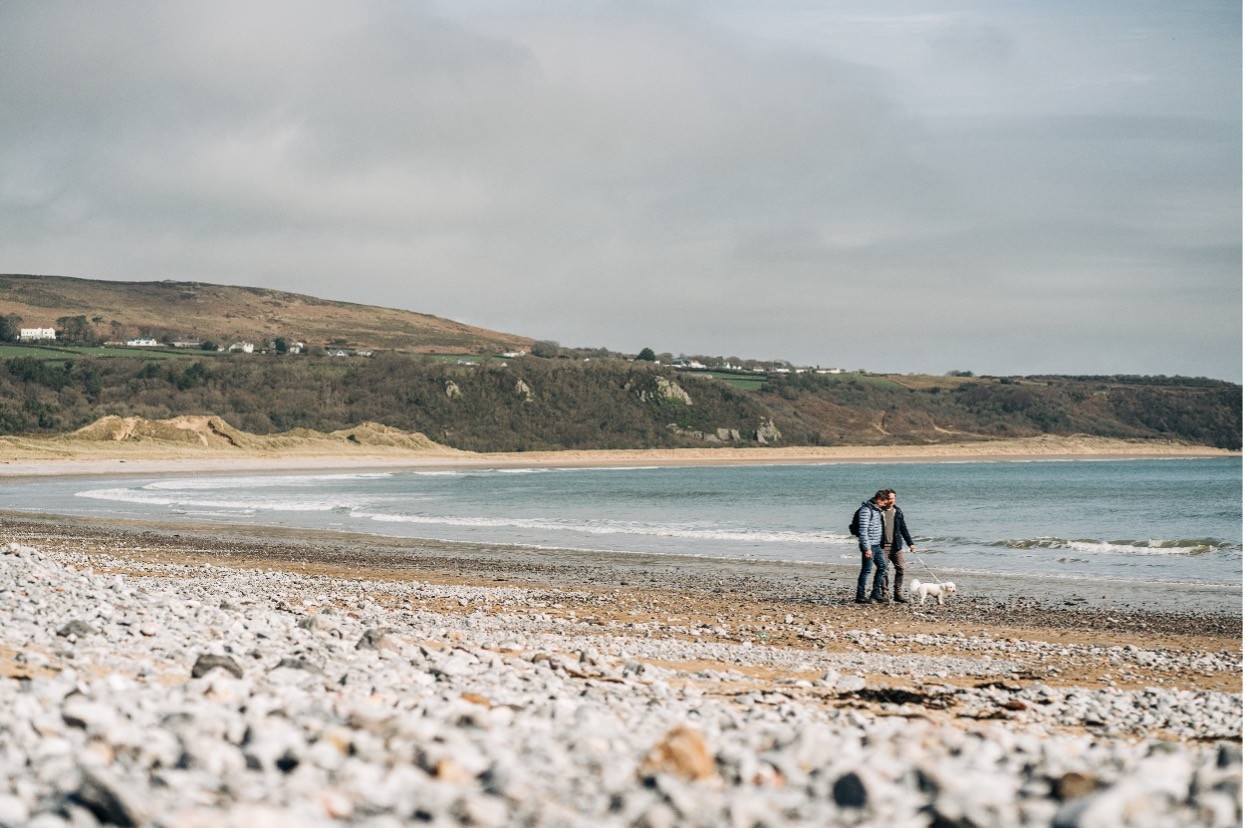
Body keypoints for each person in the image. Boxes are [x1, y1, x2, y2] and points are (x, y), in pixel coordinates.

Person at [880, 489, 917, 603]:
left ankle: (898, 594)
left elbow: (903, 529)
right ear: (884, 499)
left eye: (893, 498)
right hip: (882, 546)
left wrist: (910, 543)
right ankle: (884, 594)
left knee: (901, 568)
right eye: (889, 498)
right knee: (884, 571)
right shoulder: (878, 511)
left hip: (896, 546)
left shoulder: (898, 511)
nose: (891, 501)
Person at [854, 489, 891, 603]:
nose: (884, 505)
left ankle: (876, 593)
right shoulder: (866, 510)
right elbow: (863, 531)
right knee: (866, 570)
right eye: (883, 502)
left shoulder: (877, 510)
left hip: (876, 545)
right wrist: (867, 548)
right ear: (878, 500)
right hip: (869, 546)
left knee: (882, 567)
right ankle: (860, 596)